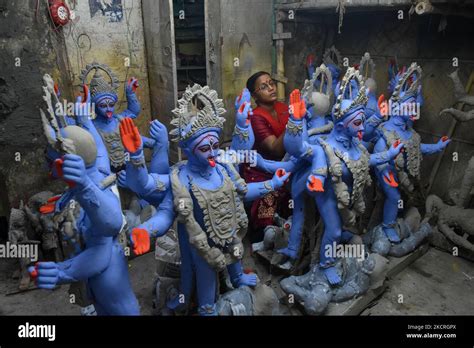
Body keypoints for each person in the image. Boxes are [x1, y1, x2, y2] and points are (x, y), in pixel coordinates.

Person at [242, 72, 291, 240]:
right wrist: (295, 122)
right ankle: (264, 235)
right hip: (262, 169)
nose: (271, 88)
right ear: (255, 95)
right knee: (269, 193)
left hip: (287, 163)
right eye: (264, 87)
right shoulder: (256, 117)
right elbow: (275, 150)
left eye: (271, 83)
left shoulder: (283, 108)